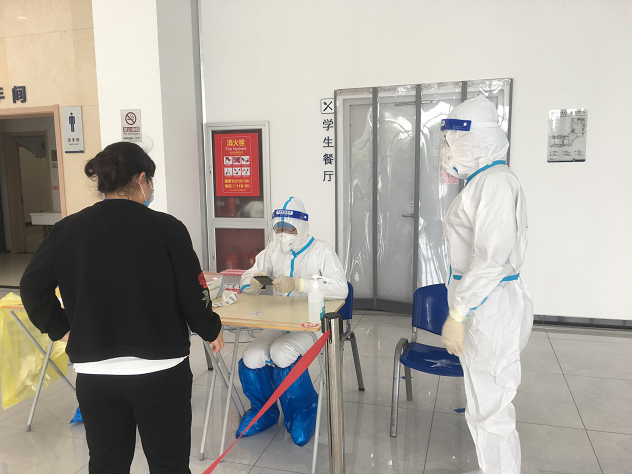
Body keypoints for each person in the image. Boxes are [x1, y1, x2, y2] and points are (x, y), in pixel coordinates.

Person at [20, 141, 224, 474]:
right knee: (169, 465)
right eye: (151, 181)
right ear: (142, 179)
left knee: (106, 465)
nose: (151, 190)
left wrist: (62, 329)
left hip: (95, 373)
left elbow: (31, 287)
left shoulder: (67, 230)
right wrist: (211, 329)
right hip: (160, 369)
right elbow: (194, 291)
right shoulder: (167, 228)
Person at [438, 95, 533, 474]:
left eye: (454, 142)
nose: (448, 151)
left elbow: (491, 259)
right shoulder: (485, 182)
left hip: (488, 309)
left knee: (491, 411)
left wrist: (459, 313)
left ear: (477, 140)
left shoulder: (494, 184)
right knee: (484, 406)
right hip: (486, 306)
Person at [237, 196, 348, 446]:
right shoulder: (272, 251)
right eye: (279, 229)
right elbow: (246, 279)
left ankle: (303, 411)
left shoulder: (321, 250)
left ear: (302, 226)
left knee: (281, 352)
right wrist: (252, 283)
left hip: (313, 325)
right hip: (280, 323)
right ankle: (263, 412)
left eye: (289, 229)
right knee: (251, 356)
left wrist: (300, 284)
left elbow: (341, 288)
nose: (283, 235)